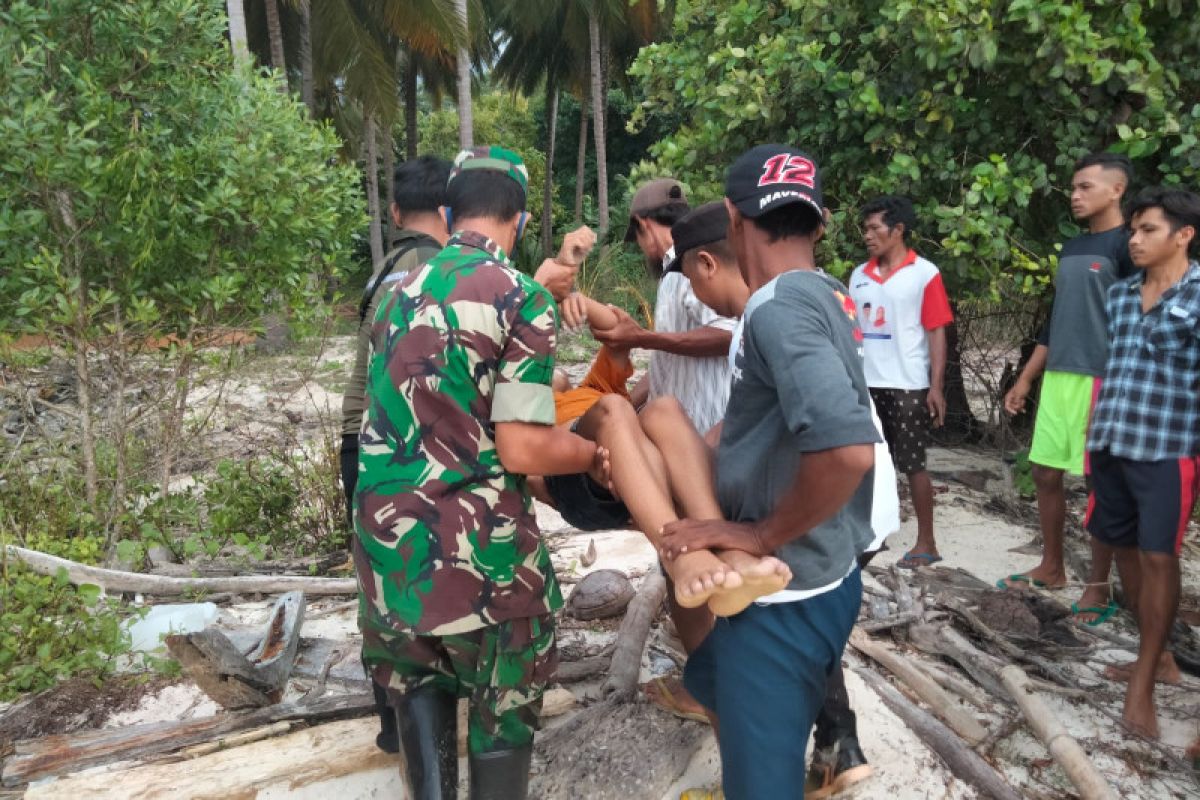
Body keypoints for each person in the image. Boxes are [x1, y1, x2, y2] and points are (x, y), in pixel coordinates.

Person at [354, 146, 610, 800]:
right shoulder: (518, 295)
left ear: (445, 212)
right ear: (520, 221)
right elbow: (522, 448)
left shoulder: (393, 292)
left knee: (419, 684)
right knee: (507, 689)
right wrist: (591, 454)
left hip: (386, 553)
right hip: (478, 557)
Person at [661, 145, 879, 799]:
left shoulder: (776, 309)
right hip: (828, 569)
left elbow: (846, 450)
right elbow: (775, 420)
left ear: (732, 217)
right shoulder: (828, 293)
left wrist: (757, 537)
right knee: (712, 679)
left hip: (783, 597)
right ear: (819, 223)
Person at [538, 288, 792, 615]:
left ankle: (726, 547)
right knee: (615, 407)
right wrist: (581, 461)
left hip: (633, 471)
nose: (550, 374)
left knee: (664, 408)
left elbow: (616, 331)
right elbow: (527, 470)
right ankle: (678, 554)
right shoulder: (525, 412)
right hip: (577, 479)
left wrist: (578, 301)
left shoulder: (594, 386)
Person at [338, 156, 451, 753]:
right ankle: (416, 725)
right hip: (401, 443)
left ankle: (395, 720)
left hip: (358, 436)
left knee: (381, 580)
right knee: (421, 576)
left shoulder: (384, 266)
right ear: (449, 210)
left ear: (394, 212)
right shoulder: (430, 268)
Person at [1000, 153, 1136, 626]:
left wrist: (1122, 386)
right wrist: (1026, 378)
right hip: (1059, 375)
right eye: (1073, 188)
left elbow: (1135, 323)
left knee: (1101, 482)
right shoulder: (1075, 248)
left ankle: (1099, 587)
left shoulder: (1128, 246)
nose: (1075, 196)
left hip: (1103, 378)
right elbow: (1056, 322)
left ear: (1116, 190)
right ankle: (1053, 567)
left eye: (1085, 187)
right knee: (1044, 472)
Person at [1085, 187, 1200, 739]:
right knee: (1124, 551)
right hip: (1113, 442)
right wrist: (1093, 434)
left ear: (1184, 235)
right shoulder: (1122, 293)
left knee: (1159, 558)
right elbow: (1116, 367)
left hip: (1168, 449)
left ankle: (1144, 688)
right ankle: (1155, 659)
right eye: (1132, 230)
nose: (1134, 239)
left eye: (1148, 229)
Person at [848, 196, 953, 568]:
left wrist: (935, 386)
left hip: (907, 383)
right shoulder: (858, 277)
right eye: (866, 229)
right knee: (868, 462)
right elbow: (853, 331)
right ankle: (872, 536)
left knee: (913, 463)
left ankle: (927, 542)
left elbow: (936, 331)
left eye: (875, 228)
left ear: (898, 231)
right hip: (866, 383)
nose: (868, 236)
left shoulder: (925, 273)